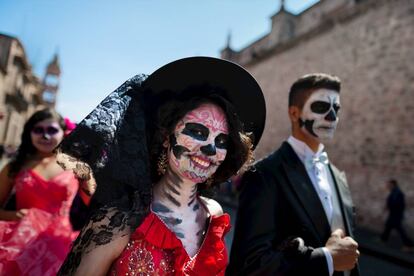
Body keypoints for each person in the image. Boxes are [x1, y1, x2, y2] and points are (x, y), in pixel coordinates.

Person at [56, 56, 266, 275]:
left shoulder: (214, 214)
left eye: (221, 141)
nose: (210, 148)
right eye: (197, 131)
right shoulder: (116, 222)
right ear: (167, 137)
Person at [227, 73, 360, 276]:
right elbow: (250, 265)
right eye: (321, 107)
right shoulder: (264, 175)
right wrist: (327, 259)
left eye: (336, 109)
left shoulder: (338, 177)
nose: (332, 117)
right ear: (295, 113)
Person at [0, 108, 93, 275]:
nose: (45, 136)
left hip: (58, 247)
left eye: (51, 130)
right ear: (29, 133)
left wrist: (88, 177)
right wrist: (13, 215)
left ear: (63, 133)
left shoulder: (77, 167)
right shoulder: (14, 167)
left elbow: (93, 206)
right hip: (17, 243)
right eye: (38, 130)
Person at [380, 179, 414, 251]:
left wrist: (389, 207)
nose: (388, 186)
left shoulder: (397, 193)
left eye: (389, 184)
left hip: (396, 215)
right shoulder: (395, 192)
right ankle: (383, 239)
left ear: (393, 185)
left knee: (399, 229)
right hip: (394, 214)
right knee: (388, 226)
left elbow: (397, 204)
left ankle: (409, 245)